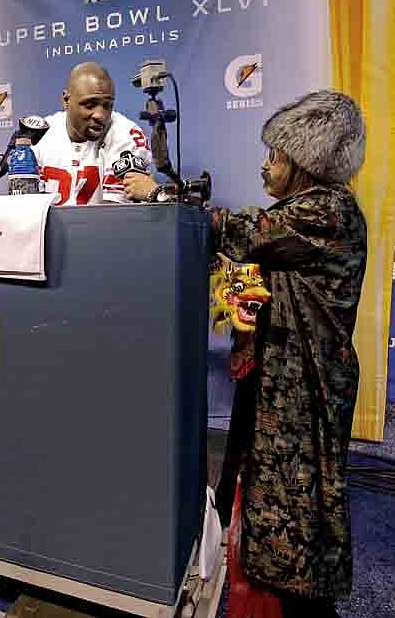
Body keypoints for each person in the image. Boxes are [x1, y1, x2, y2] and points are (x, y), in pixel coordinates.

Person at [210, 90, 367, 618]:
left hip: (306, 386)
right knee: (273, 498)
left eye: (275, 155)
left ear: (302, 162)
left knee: (301, 507)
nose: (265, 164)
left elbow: (246, 232)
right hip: (282, 379)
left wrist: (169, 201)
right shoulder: (305, 213)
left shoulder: (329, 208)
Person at [32, 61, 158, 206]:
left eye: (107, 105)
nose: (100, 115)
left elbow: (113, 216)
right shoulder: (41, 133)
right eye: (89, 105)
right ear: (67, 100)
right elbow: (29, 209)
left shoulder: (126, 135)